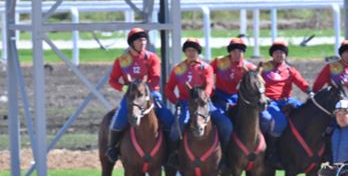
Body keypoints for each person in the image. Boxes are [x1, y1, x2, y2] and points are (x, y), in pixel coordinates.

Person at [105, 27, 171, 163]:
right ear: (132, 43)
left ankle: (172, 150)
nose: (143, 43)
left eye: (144, 40)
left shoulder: (152, 58)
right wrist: (123, 88)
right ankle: (112, 148)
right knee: (119, 118)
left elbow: (155, 78)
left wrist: (144, 89)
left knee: (167, 117)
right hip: (131, 97)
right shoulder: (122, 60)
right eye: (140, 40)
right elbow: (112, 80)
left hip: (151, 95)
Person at [164, 38, 230, 167]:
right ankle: (174, 154)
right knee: (179, 126)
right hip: (186, 103)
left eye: (193, 50)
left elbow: (210, 84)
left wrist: (204, 96)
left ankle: (225, 155)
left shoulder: (206, 67)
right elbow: (169, 88)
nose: (191, 53)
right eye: (188, 50)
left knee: (226, 124)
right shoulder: (178, 69)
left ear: (198, 52)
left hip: (205, 103)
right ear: (185, 52)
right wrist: (175, 101)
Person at [258, 39, 312, 161]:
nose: (279, 55)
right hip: (269, 101)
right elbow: (256, 82)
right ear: (272, 54)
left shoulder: (289, 70)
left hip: (286, 100)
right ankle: (272, 148)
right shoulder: (264, 67)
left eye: (282, 53)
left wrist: (309, 91)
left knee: (306, 112)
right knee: (280, 122)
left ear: (285, 55)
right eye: (276, 52)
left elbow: (301, 82)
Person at [312, 39, 348, 111]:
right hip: (336, 102)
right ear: (341, 53)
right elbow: (318, 84)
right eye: (346, 52)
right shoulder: (331, 67)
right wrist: (312, 95)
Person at [210, 37, 257, 114]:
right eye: (234, 51)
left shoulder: (248, 66)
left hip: (239, 97)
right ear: (230, 52)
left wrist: (248, 74)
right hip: (220, 97)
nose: (237, 54)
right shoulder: (219, 62)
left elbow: (258, 79)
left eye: (240, 51)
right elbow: (207, 73)